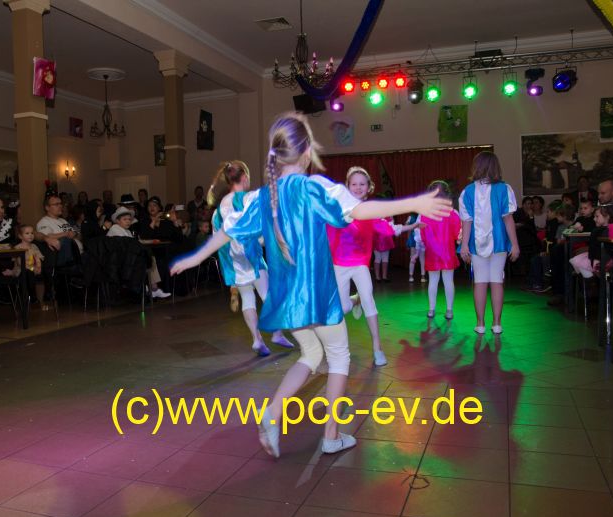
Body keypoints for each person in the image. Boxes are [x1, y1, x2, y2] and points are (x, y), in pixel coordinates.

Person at [171, 112, 452, 458]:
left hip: (287, 300)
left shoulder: (263, 196)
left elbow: (227, 231)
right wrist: (415, 203)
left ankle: (273, 413)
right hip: (317, 296)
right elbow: (360, 211)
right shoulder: (313, 187)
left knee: (312, 354)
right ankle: (331, 435)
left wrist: (195, 258)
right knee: (339, 357)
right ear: (306, 153)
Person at [326, 167, 421, 366]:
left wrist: (411, 226)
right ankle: (355, 300)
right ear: (347, 186)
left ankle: (377, 348)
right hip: (339, 264)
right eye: (354, 184)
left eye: (362, 184)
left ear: (368, 187)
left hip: (360, 263)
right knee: (342, 308)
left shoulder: (370, 212)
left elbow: (388, 229)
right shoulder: (336, 208)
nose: (358, 187)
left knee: (369, 300)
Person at [209, 160, 295, 356]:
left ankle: (257, 339)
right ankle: (277, 333)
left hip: (233, 261)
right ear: (245, 177)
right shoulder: (247, 199)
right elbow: (258, 228)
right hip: (250, 254)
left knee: (247, 297)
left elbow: (217, 238)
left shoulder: (218, 210)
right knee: (267, 294)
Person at [459, 151, 520, 334]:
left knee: (480, 282)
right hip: (499, 242)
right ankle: (497, 323)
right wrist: (515, 244)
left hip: (476, 244)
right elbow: (508, 219)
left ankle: (480, 324)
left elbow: (466, 221)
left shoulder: (467, 191)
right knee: (496, 281)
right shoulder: (504, 189)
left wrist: (464, 245)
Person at [108, 206, 169, 299]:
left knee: (149, 258)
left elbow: (134, 243)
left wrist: (148, 241)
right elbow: (127, 245)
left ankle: (152, 287)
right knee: (147, 259)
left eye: (129, 219)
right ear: (117, 221)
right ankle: (150, 288)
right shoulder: (115, 228)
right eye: (125, 219)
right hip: (118, 262)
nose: (128, 221)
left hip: (127, 259)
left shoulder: (127, 231)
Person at [421, 181, 461, 319]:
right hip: (447, 252)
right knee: (448, 281)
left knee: (433, 281)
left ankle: (431, 309)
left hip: (432, 253)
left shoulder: (425, 214)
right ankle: (449, 310)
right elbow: (457, 234)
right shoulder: (452, 213)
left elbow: (422, 236)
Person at [4, 225, 46, 309]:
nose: (30, 235)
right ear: (20, 236)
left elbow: (38, 258)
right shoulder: (18, 248)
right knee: (28, 273)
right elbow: (21, 263)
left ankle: (40, 299)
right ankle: (32, 297)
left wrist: (39, 267)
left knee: (42, 274)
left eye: (32, 233)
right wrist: (32, 268)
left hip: (33, 269)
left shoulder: (34, 246)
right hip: (21, 270)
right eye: (27, 233)